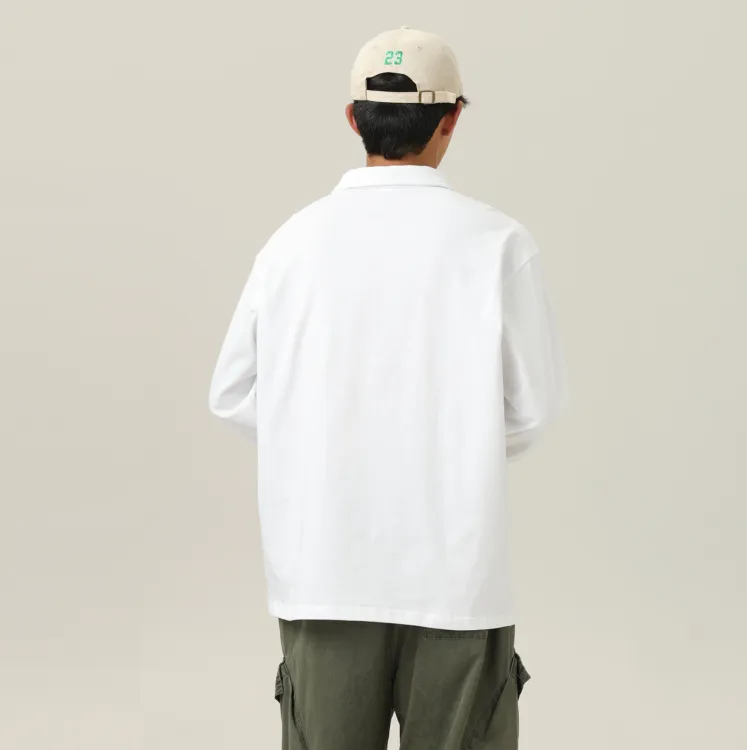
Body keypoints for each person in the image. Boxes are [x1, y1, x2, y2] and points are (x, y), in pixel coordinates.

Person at [209, 26, 566, 750]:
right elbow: (534, 411)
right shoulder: (497, 244)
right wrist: (452, 441)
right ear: (452, 118)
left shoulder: (292, 245)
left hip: (324, 569)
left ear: (353, 117)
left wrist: (320, 434)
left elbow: (233, 393)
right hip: (457, 573)